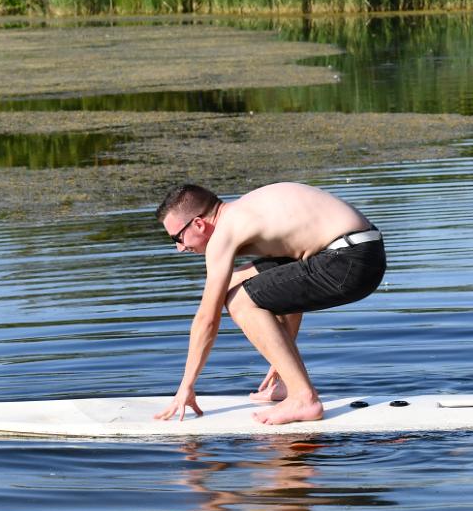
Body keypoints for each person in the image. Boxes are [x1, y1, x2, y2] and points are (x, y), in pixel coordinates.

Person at [154, 181, 386, 426]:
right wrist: (282, 360)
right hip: (363, 252)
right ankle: (290, 383)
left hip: (348, 260)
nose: (180, 248)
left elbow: (207, 319)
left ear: (199, 224)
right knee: (236, 281)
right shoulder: (251, 212)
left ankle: (303, 398)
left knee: (239, 301)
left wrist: (186, 387)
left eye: (177, 238)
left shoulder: (225, 233)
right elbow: (291, 289)